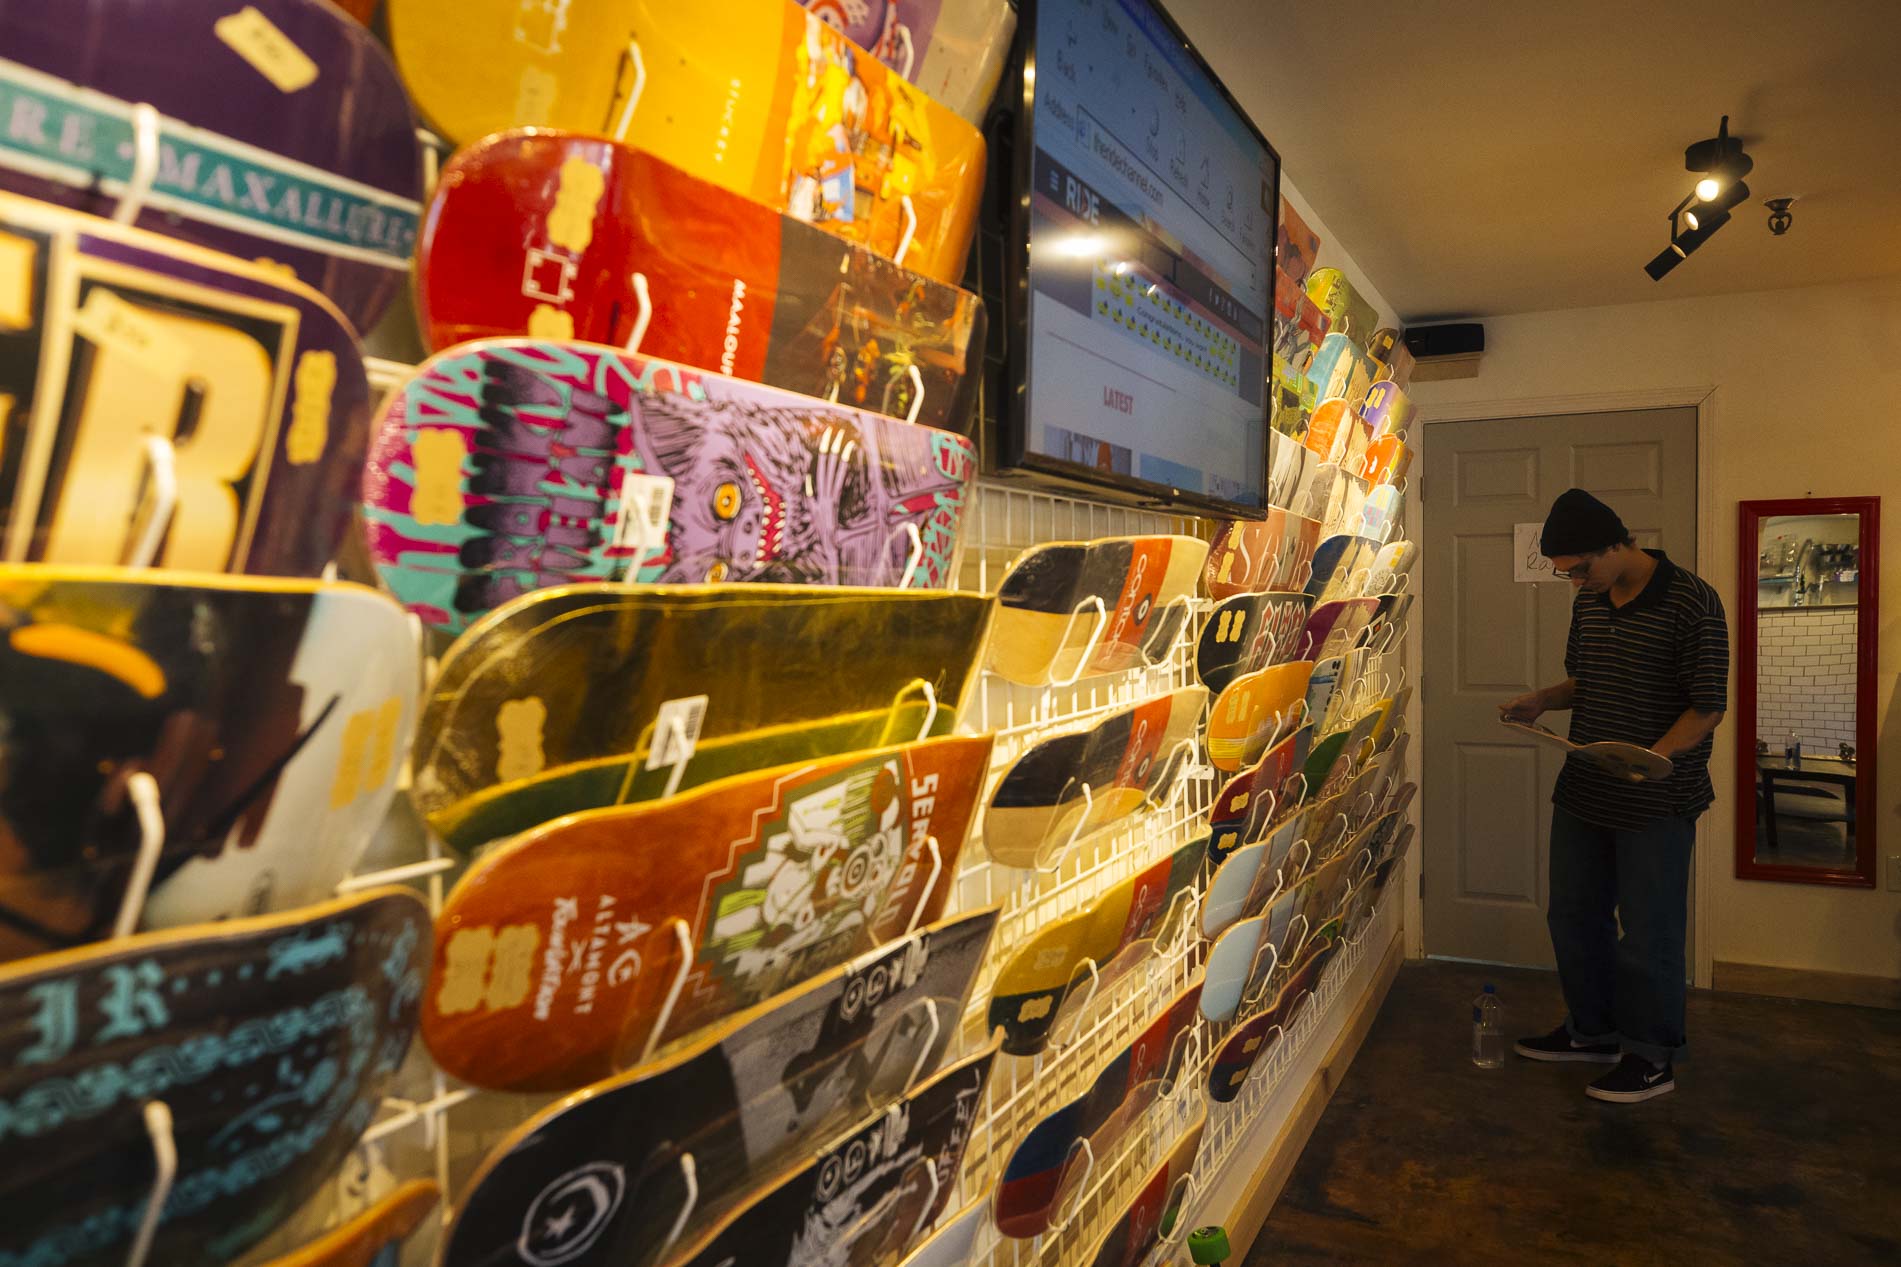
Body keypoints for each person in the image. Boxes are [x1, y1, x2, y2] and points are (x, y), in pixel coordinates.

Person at [1499, 488, 1728, 1104]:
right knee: (1573, 916)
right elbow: (1590, 677)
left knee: (1649, 931)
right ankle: (1591, 1032)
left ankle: (1652, 1057)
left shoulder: (1693, 601)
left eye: (1579, 569)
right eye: (1566, 575)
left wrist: (1654, 759)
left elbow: (1707, 707)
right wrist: (1544, 699)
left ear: (1616, 546)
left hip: (1657, 797)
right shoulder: (1592, 602)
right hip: (1586, 787)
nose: (1575, 584)